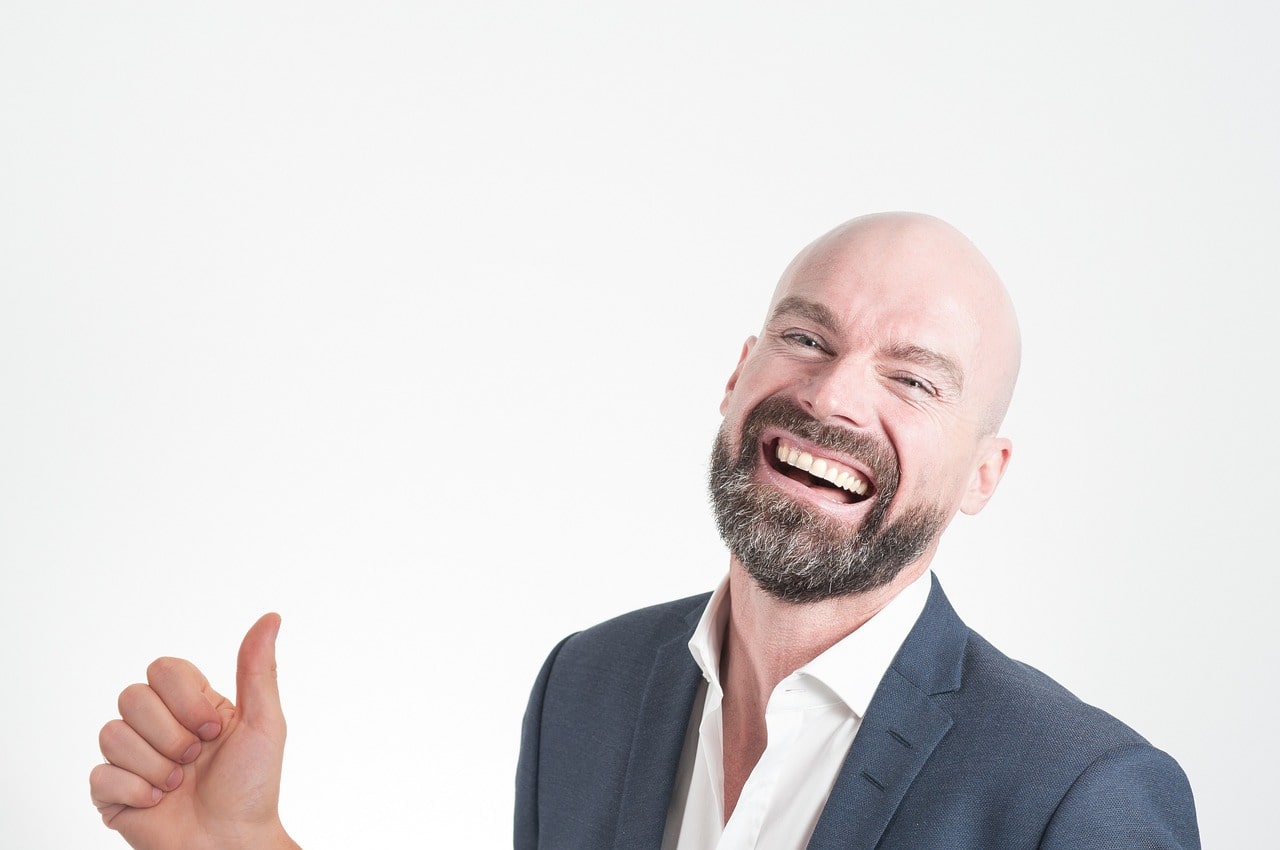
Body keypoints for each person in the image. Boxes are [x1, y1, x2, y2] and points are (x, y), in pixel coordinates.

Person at [90, 213, 1200, 849]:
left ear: (982, 474)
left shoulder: (1082, 795)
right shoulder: (587, 684)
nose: (833, 399)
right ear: (736, 374)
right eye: (806, 338)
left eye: (911, 378)